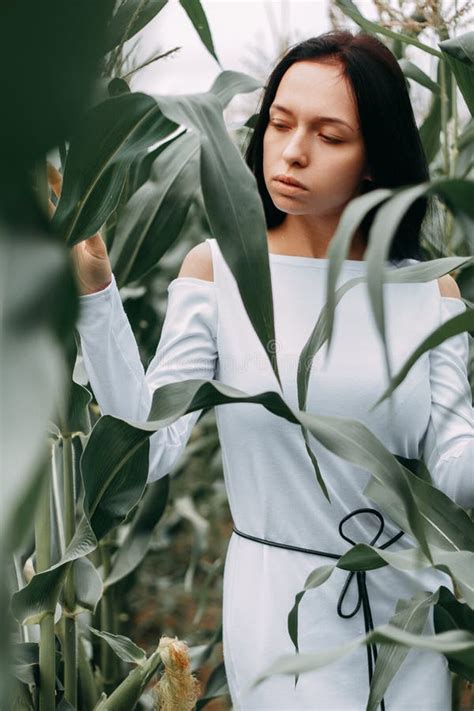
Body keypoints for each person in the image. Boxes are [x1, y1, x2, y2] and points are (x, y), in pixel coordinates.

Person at [72, 30, 473, 711]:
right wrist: (95, 291)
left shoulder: (430, 290)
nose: (291, 151)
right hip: (280, 609)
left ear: (375, 157)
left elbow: (456, 463)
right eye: (280, 124)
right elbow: (148, 445)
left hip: (408, 616)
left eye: (329, 134)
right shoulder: (220, 271)